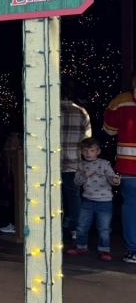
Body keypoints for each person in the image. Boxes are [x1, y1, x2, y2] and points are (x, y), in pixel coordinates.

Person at [67, 138, 120, 260]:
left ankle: (104, 250)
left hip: (104, 202)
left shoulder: (104, 164)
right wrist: (84, 175)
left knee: (104, 228)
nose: (88, 153)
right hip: (87, 201)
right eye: (85, 150)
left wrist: (116, 180)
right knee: (81, 226)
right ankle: (81, 246)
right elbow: (77, 182)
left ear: (98, 151)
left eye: (91, 150)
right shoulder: (81, 165)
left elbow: (112, 179)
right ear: (81, 151)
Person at [103, 76, 136, 264]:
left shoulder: (121, 100)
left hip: (128, 165)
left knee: (131, 207)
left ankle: (133, 251)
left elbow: (109, 129)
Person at [60, 80, 92, 240]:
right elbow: (87, 140)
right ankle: (75, 229)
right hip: (74, 161)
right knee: (74, 197)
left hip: (51, 162)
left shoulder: (50, 111)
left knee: (52, 196)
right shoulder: (82, 112)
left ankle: (53, 227)